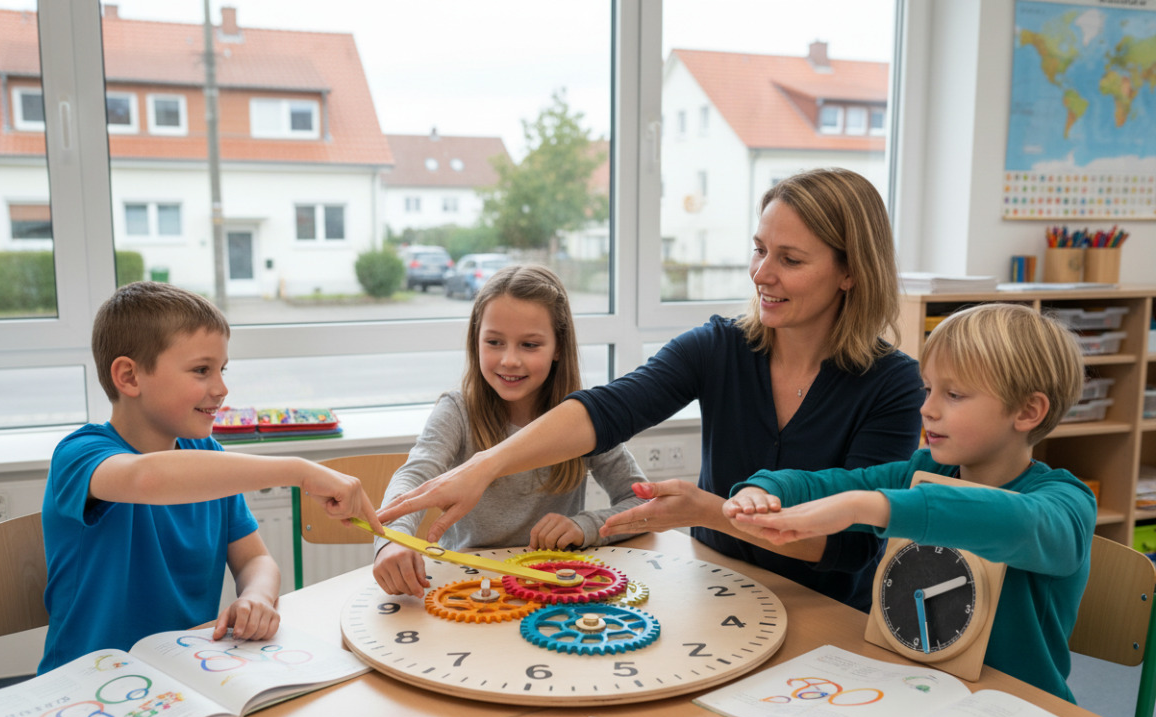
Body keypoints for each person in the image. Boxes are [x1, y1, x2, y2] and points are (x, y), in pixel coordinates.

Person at [380, 168, 923, 611]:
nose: (761, 274)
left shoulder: (893, 383)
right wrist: (485, 466)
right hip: (713, 590)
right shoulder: (718, 347)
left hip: (821, 611)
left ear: (850, 271)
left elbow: (849, 547)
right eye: (759, 249)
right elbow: (609, 410)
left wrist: (710, 510)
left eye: (790, 259)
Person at [723, 303, 1094, 700]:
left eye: (953, 394)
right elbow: (832, 484)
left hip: (1018, 711)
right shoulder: (921, 470)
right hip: (913, 687)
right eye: (928, 389)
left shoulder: (1068, 503)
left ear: (1028, 411)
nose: (927, 409)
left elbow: (1014, 521)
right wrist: (764, 490)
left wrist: (871, 508)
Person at [39, 281, 384, 673]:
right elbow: (146, 479)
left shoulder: (207, 459)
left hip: (183, 674)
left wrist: (257, 596)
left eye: (221, 369)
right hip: (83, 683)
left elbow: (256, 559)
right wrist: (299, 471)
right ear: (130, 377)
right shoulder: (79, 455)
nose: (221, 388)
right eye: (202, 370)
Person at [373, 265, 648, 597]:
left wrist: (585, 525)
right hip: (469, 589)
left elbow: (643, 503)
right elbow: (413, 478)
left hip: (552, 586)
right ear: (476, 341)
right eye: (494, 342)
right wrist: (392, 542)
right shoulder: (458, 411)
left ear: (558, 347)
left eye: (529, 345)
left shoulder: (582, 419)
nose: (509, 360)